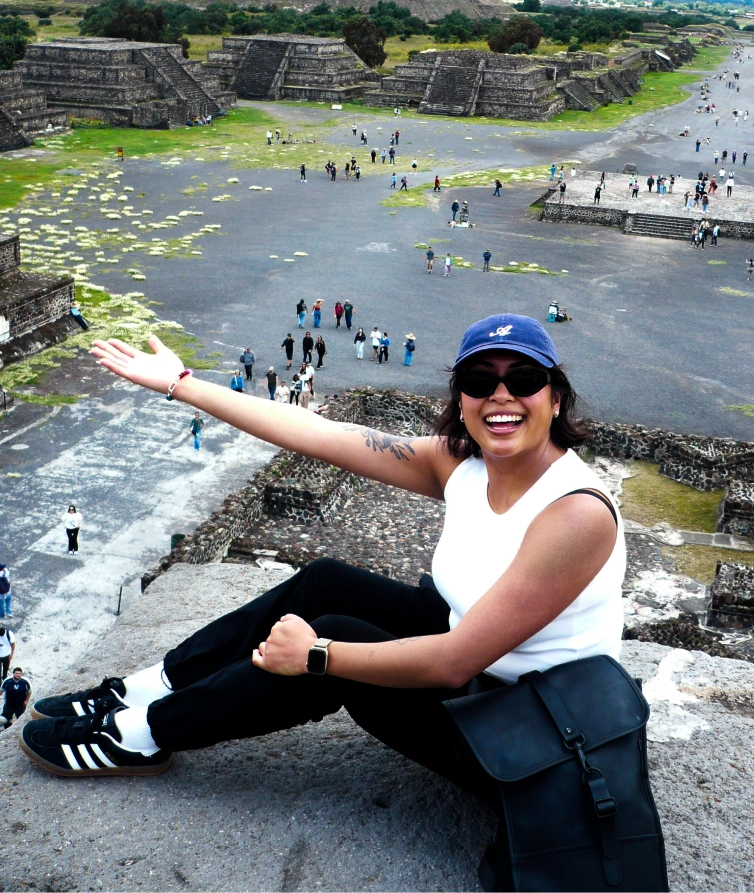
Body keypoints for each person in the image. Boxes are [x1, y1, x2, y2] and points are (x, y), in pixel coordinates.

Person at [22, 315, 623, 791]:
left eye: (522, 380)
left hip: (523, 730)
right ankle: (145, 688)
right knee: (327, 581)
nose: (500, 396)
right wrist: (182, 385)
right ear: (460, 396)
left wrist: (316, 656)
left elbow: (451, 664)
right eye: (479, 381)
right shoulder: (461, 462)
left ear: (556, 397)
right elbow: (319, 434)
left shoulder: (575, 513)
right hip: (482, 674)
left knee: (331, 630)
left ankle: (138, 735)